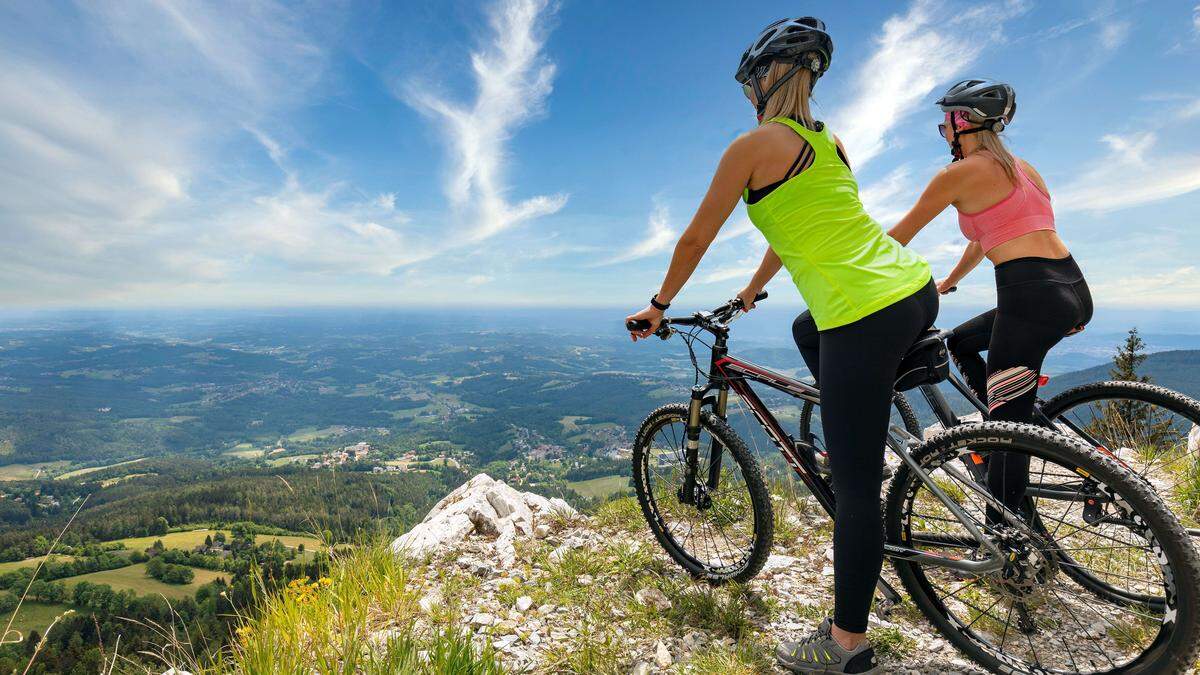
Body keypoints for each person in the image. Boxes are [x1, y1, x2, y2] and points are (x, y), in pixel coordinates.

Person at [625, 17, 936, 674]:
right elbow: (794, 227)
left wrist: (659, 305)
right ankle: (855, 428)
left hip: (864, 313)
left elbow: (694, 238)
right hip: (912, 288)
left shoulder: (752, 145)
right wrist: (750, 290)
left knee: (854, 493)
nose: (748, 93)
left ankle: (846, 645)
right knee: (804, 329)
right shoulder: (830, 144)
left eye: (750, 81)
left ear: (769, 76)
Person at [887, 79, 1092, 516]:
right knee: (959, 341)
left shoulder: (957, 175)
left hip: (1030, 298)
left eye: (945, 123)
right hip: (1070, 287)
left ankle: (1010, 541)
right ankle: (1008, 405)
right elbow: (988, 236)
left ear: (963, 121)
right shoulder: (1025, 168)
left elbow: (899, 237)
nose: (943, 133)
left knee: (1006, 432)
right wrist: (950, 280)